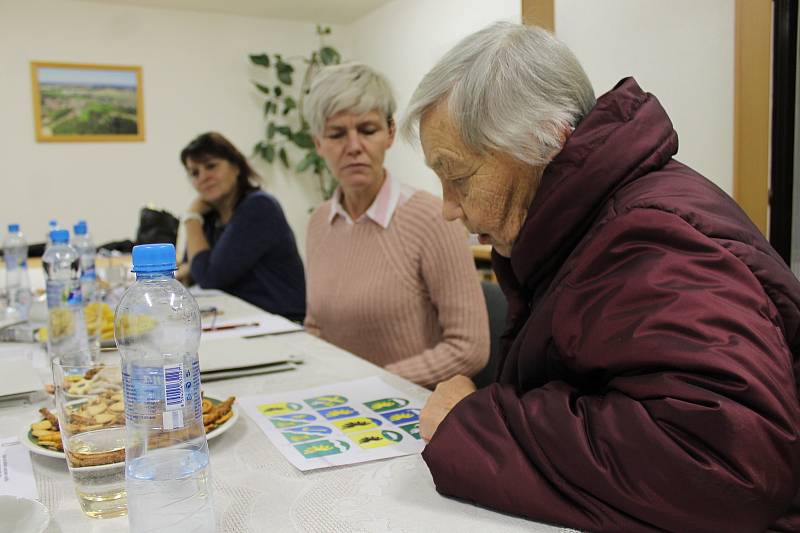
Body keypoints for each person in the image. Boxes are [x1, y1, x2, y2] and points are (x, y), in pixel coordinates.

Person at [402, 22, 800, 532]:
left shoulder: (647, 239)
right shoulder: (583, 227)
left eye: (458, 177)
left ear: (544, 142)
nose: (449, 208)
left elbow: (728, 461)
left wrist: (476, 427)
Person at [303, 63, 489, 388]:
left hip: (409, 408)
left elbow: (469, 348)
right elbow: (317, 327)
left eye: (367, 130)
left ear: (389, 133)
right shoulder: (319, 223)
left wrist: (374, 383)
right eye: (336, 134)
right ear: (318, 143)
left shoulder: (432, 218)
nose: (354, 146)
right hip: (337, 405)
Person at [178, 132, 306, 321]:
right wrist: (194, 267)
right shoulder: (211, 216)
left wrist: (191, 217)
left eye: (211, 166)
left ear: (236, 166)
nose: (203, 177)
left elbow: (209, 279)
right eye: (194, 173)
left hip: (280, 322)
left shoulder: (259, 207)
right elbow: (191, 269)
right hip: (239, 319)